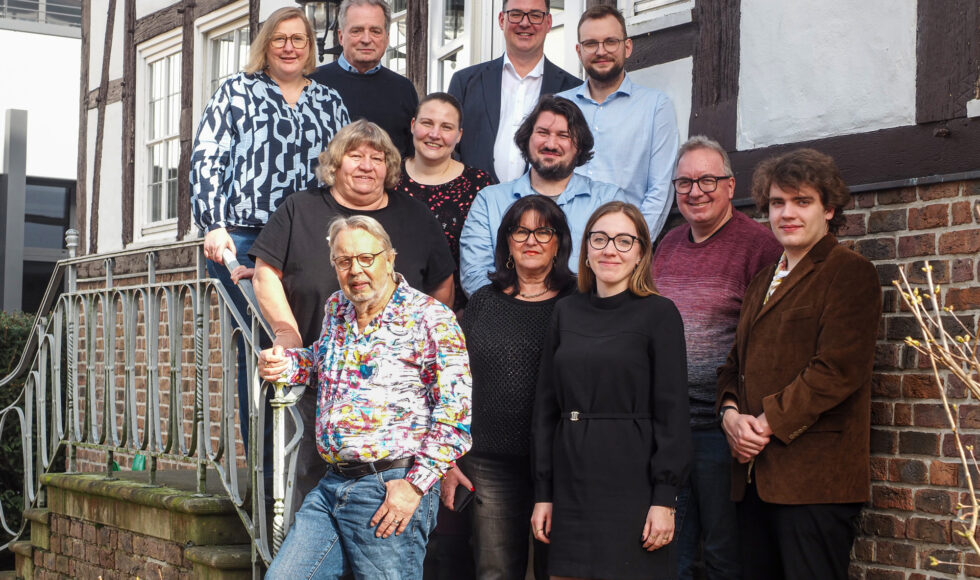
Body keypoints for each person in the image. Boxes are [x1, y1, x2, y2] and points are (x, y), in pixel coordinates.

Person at [249, 120, 456, 517]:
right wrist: (287, 335)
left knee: (380, 518)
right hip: (317, 380)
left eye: (377, 158)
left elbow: (442, 285)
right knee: (307, 486)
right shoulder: (301, 209)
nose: (366, 165)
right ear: (335, 163)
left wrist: (421, 338)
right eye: (355, 156)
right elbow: (265, 273)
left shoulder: (415, 216)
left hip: (396, 403)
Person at [259, 215, 472, 580]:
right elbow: (324, 363)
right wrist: (286, 364)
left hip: (390, 485)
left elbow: (456, 413)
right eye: (344, 261)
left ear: (389, 259)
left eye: (365, 258)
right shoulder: (337, 308)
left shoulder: (430, 317)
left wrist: (414, 486)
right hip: (333, 485)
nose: (355, 270)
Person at [717, 149, 882, 580]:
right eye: (777, 203)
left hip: (815, 484)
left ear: (828, 209)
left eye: (801, 201)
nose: (786, 213)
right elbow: (733, 366)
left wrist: (764, 424)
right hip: (752, 477)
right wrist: (730, 416)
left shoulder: (849, 272)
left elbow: (837, 371)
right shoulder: (761, 281)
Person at [190, 6, 349, 447]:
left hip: (313, 239)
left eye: (299, 39)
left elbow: (343, 169)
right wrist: (213, 223)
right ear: (265, 44)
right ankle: (267, 465)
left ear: (310, 46)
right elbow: (207, 158)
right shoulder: (236, 92)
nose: (289, 47)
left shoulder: (329, 101)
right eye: (280, 38)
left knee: (317, 337)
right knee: (266, 346)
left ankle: (312, 456)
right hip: (245, 238)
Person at [532, 201, 691, 579]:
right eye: (600, 239)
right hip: (571, 477)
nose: (610, 249)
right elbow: (545, 409)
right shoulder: (565, 312)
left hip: (633, 479)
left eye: (624, 240)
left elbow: (672, 412)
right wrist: (543, 493)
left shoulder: (660, 313)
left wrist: (664, 499)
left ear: (640, 253)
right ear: (586, 250)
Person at [651, 136, 782, 580]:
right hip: (667, 428)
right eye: (684, 182)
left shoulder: (760, 247)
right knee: (669, 553)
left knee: (725, 554)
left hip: (721, 429)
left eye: (707, 180)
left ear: (730, 185)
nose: (696, 191)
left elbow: (768, 339)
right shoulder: (667, 245)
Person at [440, 196, 576, 579]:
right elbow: (455, 383)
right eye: (520, 231)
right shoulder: (482, 302)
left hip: (562, 458)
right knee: (495, 571)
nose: (531, 240)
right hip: (489, 462)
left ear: (559, 243)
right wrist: (449, 457)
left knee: (560, 570)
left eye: (543, 231)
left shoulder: (579, 303)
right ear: (506, 243)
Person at [459, 95, 625, 297]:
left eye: (563, 135)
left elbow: (618, 271)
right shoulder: (490, 200)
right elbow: (474, 276)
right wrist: (521, 307)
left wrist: (572, 311)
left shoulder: (607, 201)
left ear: (579, 146)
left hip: (586, 314)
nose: (551, 144)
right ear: (526, 139)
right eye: (542, 132)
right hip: (506, 314)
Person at [557, 5, 679, 240]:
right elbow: (538, 178)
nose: (601, 51)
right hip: (561, 245)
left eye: (610, 42)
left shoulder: (655, 106)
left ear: (627, 47)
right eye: (591, 43)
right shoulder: (558, 106)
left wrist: (634, 244)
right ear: (579, 51)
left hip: (621, 246)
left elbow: (660, 191)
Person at [448, 0, 580, 183]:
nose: (525, 23)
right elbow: (449, 148)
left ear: (548, 22)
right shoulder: (465, 82)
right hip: (474, 197)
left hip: (548, 199)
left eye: (535, 15)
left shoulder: (573, 89)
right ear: (502, 20)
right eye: (516, 14)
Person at [394, 93, 494, 311]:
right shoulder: (388, 178)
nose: (434, 134)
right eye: (427, 123)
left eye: (446, 127)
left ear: (459, 135)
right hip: (392, 312)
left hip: (460, 314)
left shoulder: (479, 184)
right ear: (413, 125)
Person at [311, 0, 418, 157]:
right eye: (357, 31)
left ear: (387, 38)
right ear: (341, 36)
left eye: (375, 31)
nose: (366, 39)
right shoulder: (312, 83)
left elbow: (412, 156)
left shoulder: (404, 89)